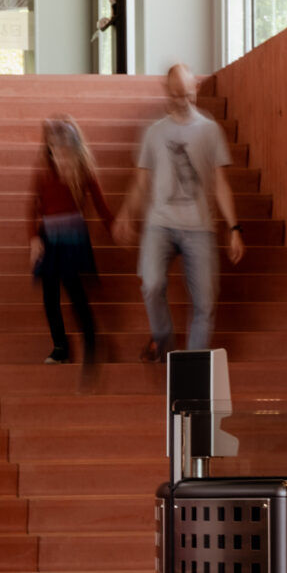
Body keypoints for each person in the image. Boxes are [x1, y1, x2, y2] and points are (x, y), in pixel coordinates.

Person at [114, 64, 247, 362]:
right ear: (166, 92)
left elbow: (221, 184)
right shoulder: (154, 132)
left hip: (200, 227)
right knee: (151, 283)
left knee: (205, 303)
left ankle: (192, 368)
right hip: (160, 225)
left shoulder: (210, 130)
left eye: (187, 94)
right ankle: (163, 340)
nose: (182, 101)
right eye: (175, 95)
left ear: (196, 89)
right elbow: (141, 181)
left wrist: (234, 228)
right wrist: (126, 212)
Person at [30, 117, 113, 368]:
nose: (61, 160)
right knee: (50, 296)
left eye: (66, 154)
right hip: (49, 239)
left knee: (75, 291)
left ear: (75, 152)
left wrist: (115, 228)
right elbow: (31, 208)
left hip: (73, 239)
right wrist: (33, 238)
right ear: (50, 151)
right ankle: (60, 346)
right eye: (55, 153)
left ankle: (91, 339)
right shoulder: (44, 174)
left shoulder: (84, 173)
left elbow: (102, 207)